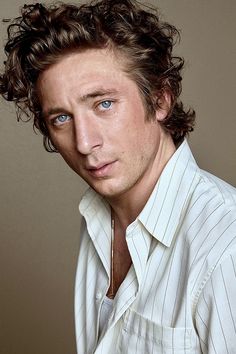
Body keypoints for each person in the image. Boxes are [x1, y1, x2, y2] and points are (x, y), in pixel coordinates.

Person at [0, 0, 236, 353]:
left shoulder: (225, 246)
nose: (84, 142)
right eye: (61, 118)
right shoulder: (99, 220)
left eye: (104, 104)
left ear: (160, 99)